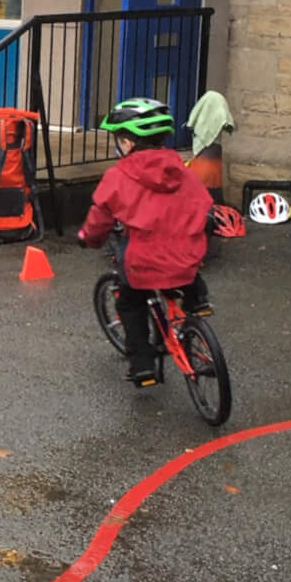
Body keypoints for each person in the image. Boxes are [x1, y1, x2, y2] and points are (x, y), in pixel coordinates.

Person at [77, 97, 214, 386]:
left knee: (131, 300)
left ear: (126, 142)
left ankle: (142, 364)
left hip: (145, 262)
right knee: (181, 257)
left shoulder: (119, 176)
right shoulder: (181, 169)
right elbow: (203, 205)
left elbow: (100, 217)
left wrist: (89, 238)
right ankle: (197, 298)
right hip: (187, 257)